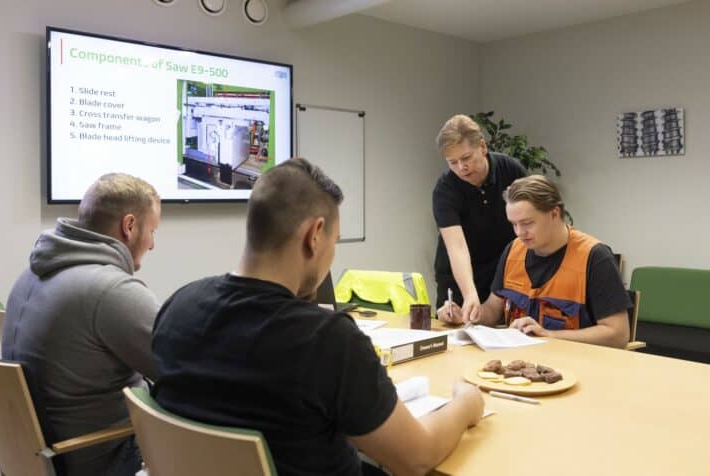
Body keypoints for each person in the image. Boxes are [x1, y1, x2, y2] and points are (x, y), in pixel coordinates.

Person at [152, 158, 484, 476]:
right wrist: (466, 406)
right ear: (315, 235)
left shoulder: (177, 307)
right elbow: (417, 459)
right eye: (334, 241)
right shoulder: (326, 339)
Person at [2, 173, 162, 475]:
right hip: (104, 456)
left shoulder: (30, 275)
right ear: (129, 227)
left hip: (47, 452)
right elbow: (183, 372)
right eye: (153, 231)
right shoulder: (110, 290)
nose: (152, 245)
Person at [438, 175, 631, 349]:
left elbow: (618, 334)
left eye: (527, 223)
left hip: (575, 366)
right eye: (514, 224)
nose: (519, 233)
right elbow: (492, 310)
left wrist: (549, 335)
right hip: (518, 365)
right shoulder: (513, 250)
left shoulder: (595, 257)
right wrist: (468, 315)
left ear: (554, 213)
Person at [433, 114, 528, 323]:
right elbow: (456, 247)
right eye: (453, 162)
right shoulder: (445, 190)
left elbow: (529, 223)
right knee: (458, 328)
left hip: (502, 274)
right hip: (459, 278)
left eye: (466, 158)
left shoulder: (511, 170)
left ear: (482, 147)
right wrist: (469, 294)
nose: (461, 168)